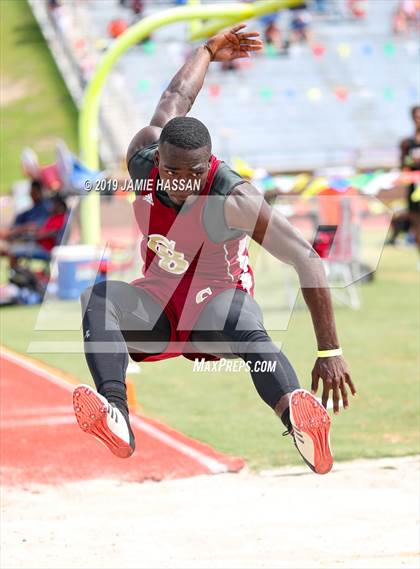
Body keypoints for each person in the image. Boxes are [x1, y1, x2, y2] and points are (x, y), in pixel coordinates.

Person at [73, 24, 356, 475]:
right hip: (160, 307)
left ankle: (296, 418)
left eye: (195, 171)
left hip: (216, 308)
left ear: (210, 163)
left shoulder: (235, 197)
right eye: (172, 171)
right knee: (100, 299)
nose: (182, 182)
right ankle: (117, 416)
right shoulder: (144, 156)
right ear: (158, 161)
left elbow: (305, 256)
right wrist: (205, 50)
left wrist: (329, 351)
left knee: (239, 321)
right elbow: (173, 100)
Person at [1, 195, 68, 269]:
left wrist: (36, 234)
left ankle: (19, 274)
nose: (51, 207)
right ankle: (19, 273)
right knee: (12, 248)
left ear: (59, 206)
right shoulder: (53, 217)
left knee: (12, 251)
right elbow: (43, 230)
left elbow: (53, 232)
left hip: (46, 250)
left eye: (54, 204)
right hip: (39, 245)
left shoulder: (62, 218)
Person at [387, 106, 420, 247]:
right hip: (414, 191)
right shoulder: (407, 143)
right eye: (416, 117)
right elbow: (403, 166)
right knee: (417, 224)